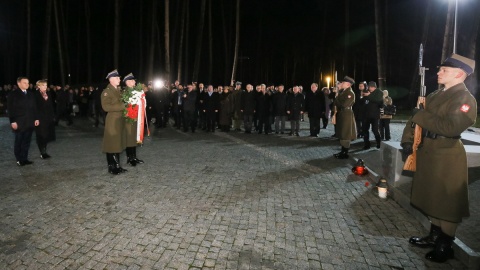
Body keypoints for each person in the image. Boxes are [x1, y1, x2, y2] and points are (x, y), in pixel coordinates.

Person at [401, 54, 476, 263]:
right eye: (440, 69)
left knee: (447, 202)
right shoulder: (435, 95)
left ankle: (445, 244)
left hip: (446, 155)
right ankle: (434, 235)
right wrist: (408, 141)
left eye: (444, 70)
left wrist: (419, 115)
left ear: (459, 74)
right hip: (428, 152)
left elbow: (451, 127)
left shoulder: (465, 99)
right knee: (432, 197)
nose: (438, 73)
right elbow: (414, 121)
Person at [7, 77, 40, 166]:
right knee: (19, 141)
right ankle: (19, 159)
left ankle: (24, 158)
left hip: (29, 122)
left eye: (28, 83)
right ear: (19, 83)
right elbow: (10, 109)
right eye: (25, 82)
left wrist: (36, 118)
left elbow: (34, 108)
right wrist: (12, 121)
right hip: (19, 122)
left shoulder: (31, 94)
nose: (27, 84)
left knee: (27, 141)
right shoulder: (13, 94)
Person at [101, 70, 127, 175]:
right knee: (111, 144)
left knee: (117, 143)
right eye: (117, 78)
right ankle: (112, 167)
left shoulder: (119, 90)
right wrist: (122, 106)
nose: (119, 79)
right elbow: (106, 107)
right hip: (112, 120)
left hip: (119, 119)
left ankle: (117, 165)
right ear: (111, 79)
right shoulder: (107, 92)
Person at [122, 73, 144, 166]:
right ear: (128, 82)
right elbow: (124, 106)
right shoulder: (125, 92)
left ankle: (134, 157)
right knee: (129, 138)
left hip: (136, 118)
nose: (134, 82)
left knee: (134, 137)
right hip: (128, 119)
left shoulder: (136, 91)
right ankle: (130, 158)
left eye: (134, 80)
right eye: (132, 80)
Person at [333, 76, 356, 159]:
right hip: (343, 113)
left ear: (348, 84)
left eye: (343, 83)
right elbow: (337, 102)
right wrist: (338, 93)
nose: (341, 84)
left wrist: (336, 97)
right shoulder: (344, 92)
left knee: (345, 133)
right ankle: (343, 151)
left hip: (346, 114)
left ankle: (345, 152)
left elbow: (343, 105)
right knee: (342, 133)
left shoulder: (350, 93)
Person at [34, 80, 56, 159]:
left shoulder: (48, 94)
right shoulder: (35, 94)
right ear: (39, 86)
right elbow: (34, 108)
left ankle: (44, 151)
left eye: (46, 85)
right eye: (43, 85)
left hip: (48, 117)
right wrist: (36, 118)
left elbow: (51, 106)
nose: (45, 87)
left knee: (46, 135)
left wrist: (53, 116)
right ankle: (42, 152)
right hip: (40, 118)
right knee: (41, 135)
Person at [362, 81, 383, 149]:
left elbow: (378, 100)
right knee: (365, 130)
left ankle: (379, 143)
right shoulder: (367, 92)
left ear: (374, 87)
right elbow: (363, 102)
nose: (370, 88)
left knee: (375, 130)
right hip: (366, 115)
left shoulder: (378, 92)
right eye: (369, 87)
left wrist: (369, 95)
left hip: (374, 116)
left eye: (371, 87)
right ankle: (366, 144)